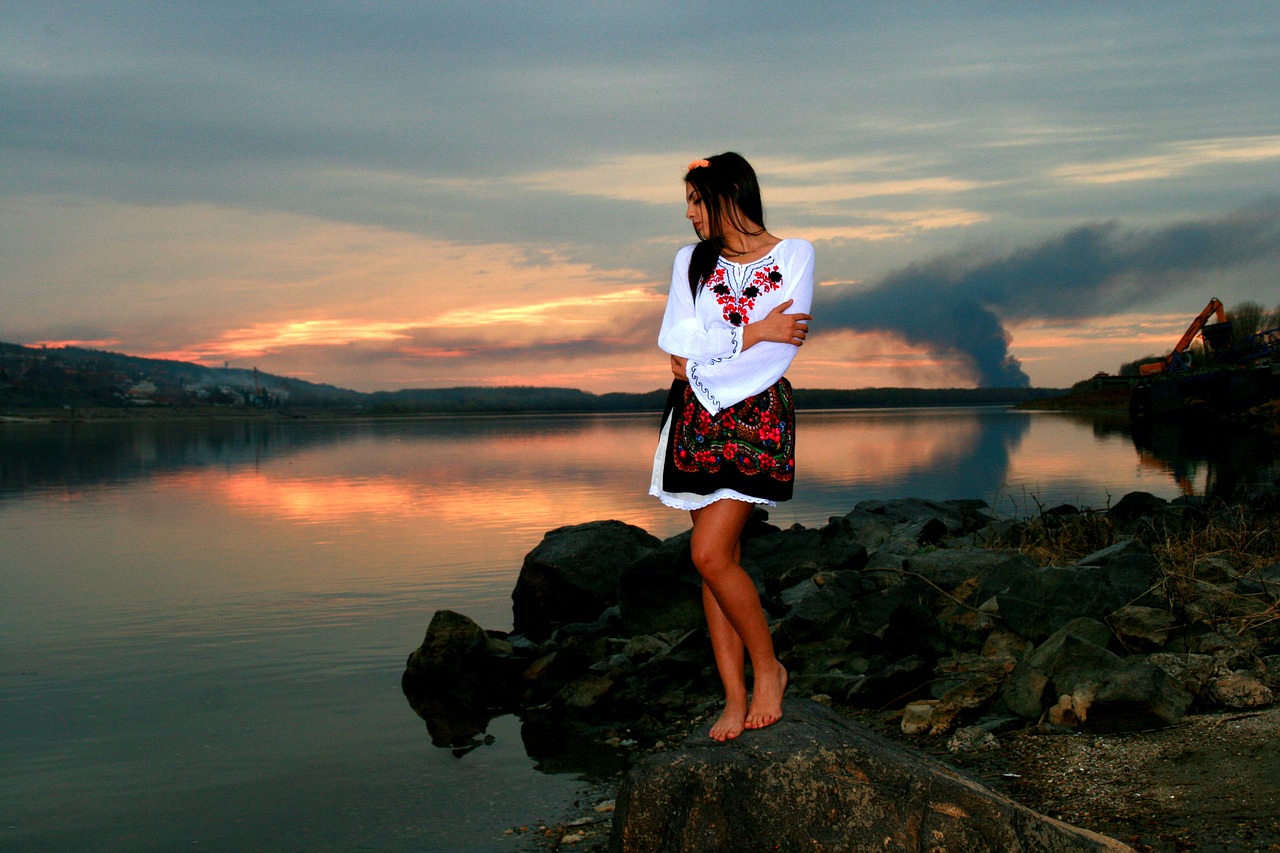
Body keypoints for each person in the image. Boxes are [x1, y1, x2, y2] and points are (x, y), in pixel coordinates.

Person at [649, 152, 814, 741]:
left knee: (709, 555)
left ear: (727, 195)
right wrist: (752, 330)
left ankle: (769, 669)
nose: (691, 215)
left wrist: (711, 360)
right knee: (718, 564)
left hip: (757, 417)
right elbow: (675, 346)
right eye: (688, 204)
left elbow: (781, 350)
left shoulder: (794, 253)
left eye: (698, 201)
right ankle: (734, 696)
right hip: (695, 418)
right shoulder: (689, 262)